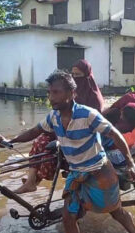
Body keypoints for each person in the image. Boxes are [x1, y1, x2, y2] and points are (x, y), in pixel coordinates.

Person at [0, 71, 135, 233]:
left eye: (56, 92)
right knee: (68, 218)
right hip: (77, 173)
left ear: (71, 94)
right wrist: (11, 141)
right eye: (49, 93)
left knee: (116, 212)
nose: (50, 97)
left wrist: (131, 163)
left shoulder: (88, 115)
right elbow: (34, 131)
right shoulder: (53, 117)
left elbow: (115, 135)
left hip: (99, 171)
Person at [15, 59, 105, 193]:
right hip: (63, 131)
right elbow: (39, 128)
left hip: (81, 138)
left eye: (78, 75)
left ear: (87, 76)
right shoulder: (60, 104)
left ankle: (37, 178)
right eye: (73, 75)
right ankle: (31, 181)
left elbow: (92, 127)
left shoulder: (93, 100)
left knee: (49, 150)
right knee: (40, 141)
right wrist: (12, 141)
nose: (75, 78)